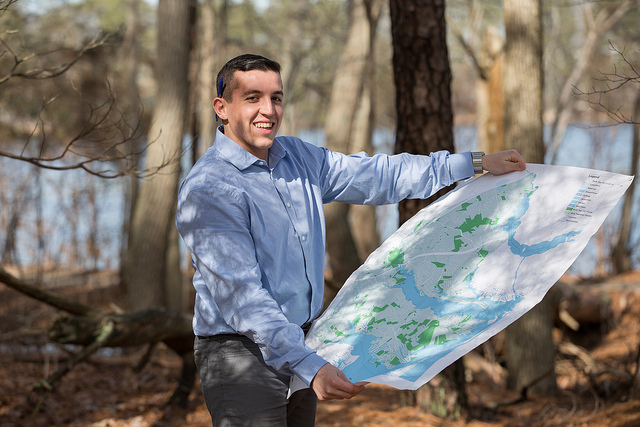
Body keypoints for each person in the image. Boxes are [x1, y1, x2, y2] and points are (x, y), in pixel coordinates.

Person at [175, 53, 526, 426]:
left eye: (276, 97)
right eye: (252, 98)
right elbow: (241, 296)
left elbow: (378, 175)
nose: (268, 110)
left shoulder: (296, 157)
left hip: (300, 342)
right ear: (222, 108)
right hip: (240, 355)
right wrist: (308, 364)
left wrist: (473, 163)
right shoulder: (209, 188)